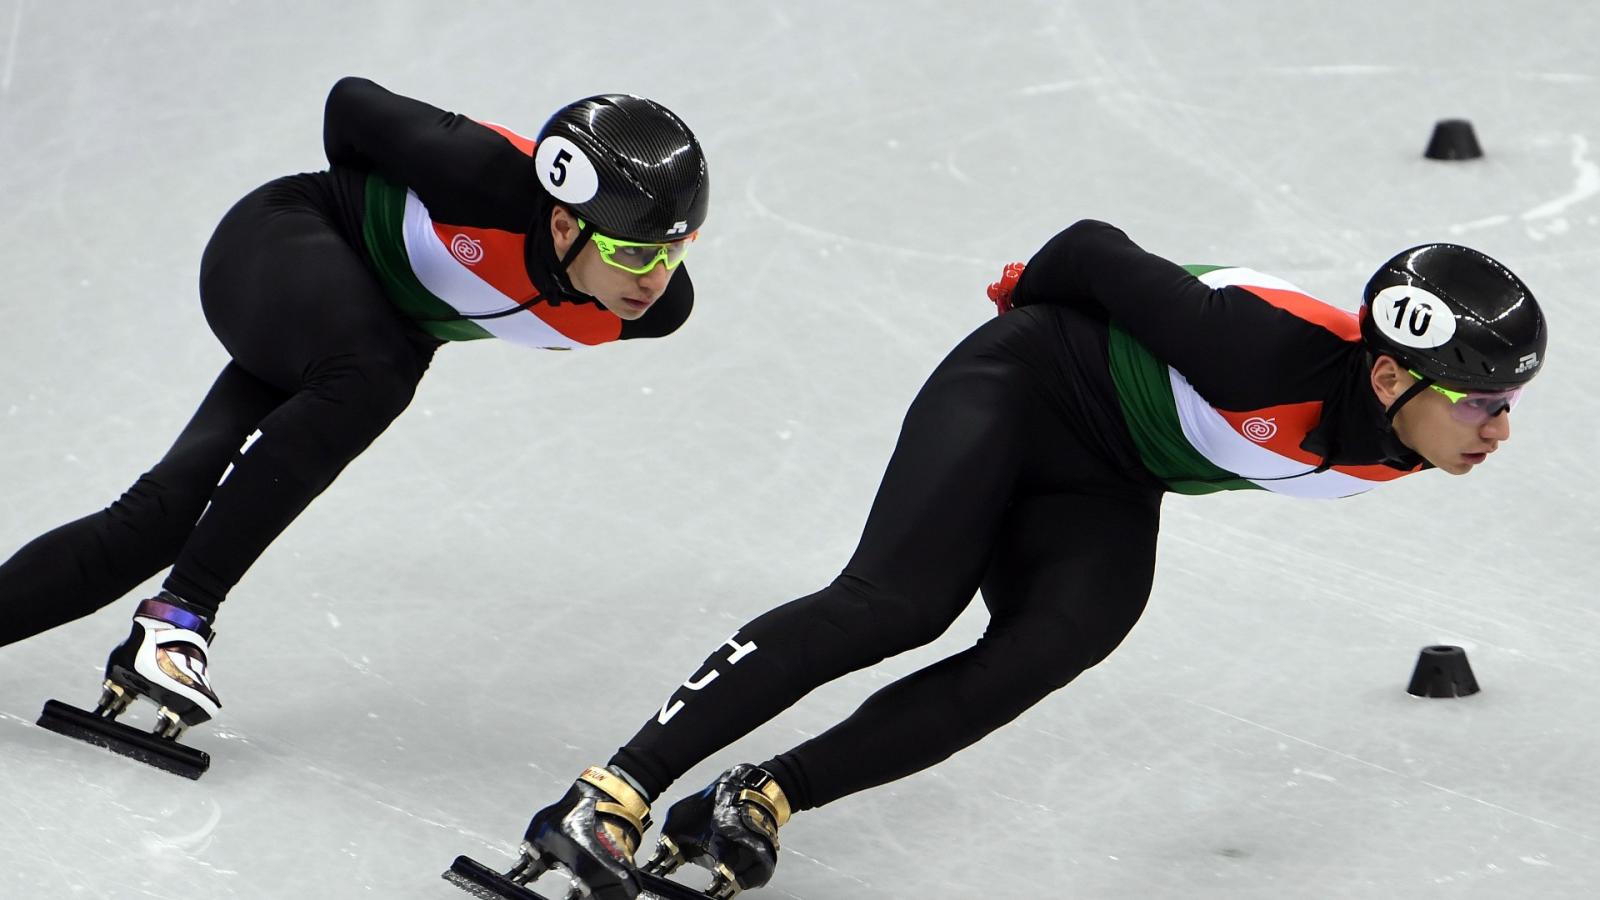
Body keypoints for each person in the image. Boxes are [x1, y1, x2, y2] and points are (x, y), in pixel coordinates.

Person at [491, 221, 1547, 899]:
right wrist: (1022, 301)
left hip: (1110, 467)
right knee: (896, 602)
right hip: (1023, 382)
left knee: (1063, 635)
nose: (1499, 429)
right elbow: (1087, 249)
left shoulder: (1409, 440)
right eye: (1483, 403)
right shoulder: (1259, 350)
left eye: (1509, 403)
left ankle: (760, 797)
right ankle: (608, 797)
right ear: (1388, 379)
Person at [3, 77, 709, 752]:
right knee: (376, 377)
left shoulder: (650, 311)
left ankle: (148, 613)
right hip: (287, 241)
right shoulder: (476, 173)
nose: (655, 278)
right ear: (562, 225)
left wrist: (357, 319)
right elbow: (350, 104)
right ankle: (178, 619)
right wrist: (364, 244)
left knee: (161, 519)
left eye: (676, 250)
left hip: (357, 331)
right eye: (634, 251)